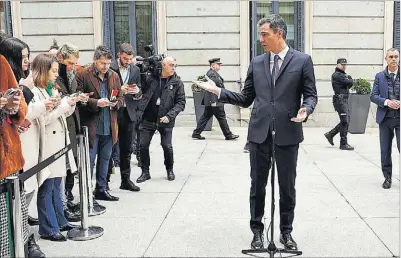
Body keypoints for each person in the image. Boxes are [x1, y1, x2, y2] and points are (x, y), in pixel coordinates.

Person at [194, 14, 317, 251]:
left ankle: (286, 233)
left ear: (279, 33)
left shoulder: (302, 61)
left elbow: (311, 94)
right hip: (259, 134)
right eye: (260, 34)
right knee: (257, 185)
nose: (260, 39)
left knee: (287, 187)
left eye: (264, 34)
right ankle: (257, 232)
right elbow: (246, 98)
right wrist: (218, 91)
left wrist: (306, 108)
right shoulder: (257, 62)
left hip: (288, 133)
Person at [31, 53, 80, 241]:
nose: (55, 75)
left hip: (59, 143)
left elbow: (61, 114)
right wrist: (60, 107)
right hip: (48, 145)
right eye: (53, 71)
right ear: (43, 71)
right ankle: (48, 227)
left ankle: (60, 220)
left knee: (56, 185)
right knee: (47, 187)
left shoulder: (51, 89)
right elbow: (43, 119)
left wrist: (70, 104)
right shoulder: (35, 92)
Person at [76, 45, 124, 201]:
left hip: (109, 125)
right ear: (95, 60)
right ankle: (87, 192)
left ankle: (101, 189)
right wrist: (96, 102)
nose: (106, 67)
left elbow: (121, 98)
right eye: (103, 63)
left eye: (108, 64)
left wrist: (114, 103)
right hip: (92, 125)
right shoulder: (84, 74)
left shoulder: (114, 76)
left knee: (105, 159)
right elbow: (79, 97)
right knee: (89, 160)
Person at [136, 57, 186, 183]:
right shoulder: (151, 78)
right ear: (163, 65)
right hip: (148, 117)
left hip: (166, 119)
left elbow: (181, 102)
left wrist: (170, 115)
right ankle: (145, 172)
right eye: (171, 65)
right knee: (143, 146)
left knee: (167, 146)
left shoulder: (177, 82)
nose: (174, 68)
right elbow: (141, 85)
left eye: (175, 65)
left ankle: (170, 170)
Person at [0, 54, 29, 257]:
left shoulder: (1, 63)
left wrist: (14, 105)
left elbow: (20, 103)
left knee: (10, 225)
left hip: (7, 156)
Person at [109, 43, 142, 192]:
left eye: (129, 59)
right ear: (118, 55)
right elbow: (106, 90)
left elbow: (140, 93)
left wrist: (137, 92)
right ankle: (104, 182)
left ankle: (125, 180)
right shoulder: (110, 68)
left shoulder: (135, 69)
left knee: (127, 148)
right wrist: (118, 91)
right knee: (108, 148)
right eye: (124, 58)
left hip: (129, 113)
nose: (127, 61)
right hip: (113, 112)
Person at [370, 48, 400, 189]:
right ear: (386, 59)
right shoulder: (379, 76)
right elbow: (373, 96)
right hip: (385, 119)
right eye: (391, 57)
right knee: (385, 150)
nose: (394, 59)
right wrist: (387, 102)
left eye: (396, 56)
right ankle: (387, 178)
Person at [192, 58, 239, 140]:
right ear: (213, 65)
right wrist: (213, 101)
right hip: (215, 100)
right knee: (221, 117)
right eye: (218, 64)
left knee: (205, 117)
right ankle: (228, 135)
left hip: (213, 100)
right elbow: (211, 89)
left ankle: (196, 133)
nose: (219, 65)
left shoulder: (213, 73)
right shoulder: (212, 74)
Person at [324, 58, 354, 150]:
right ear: (337, 65)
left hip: (344, 100)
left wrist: (349, 80)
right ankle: (343, 143)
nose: (344, 66)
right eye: (342, 64)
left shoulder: (342, 75)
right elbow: (349, 82)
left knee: (346, 121)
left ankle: (330, 134)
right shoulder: (337, 75)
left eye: (345, 64)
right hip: (340, 100)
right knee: (345, 121)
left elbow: (349, 84)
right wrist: (349, 79)